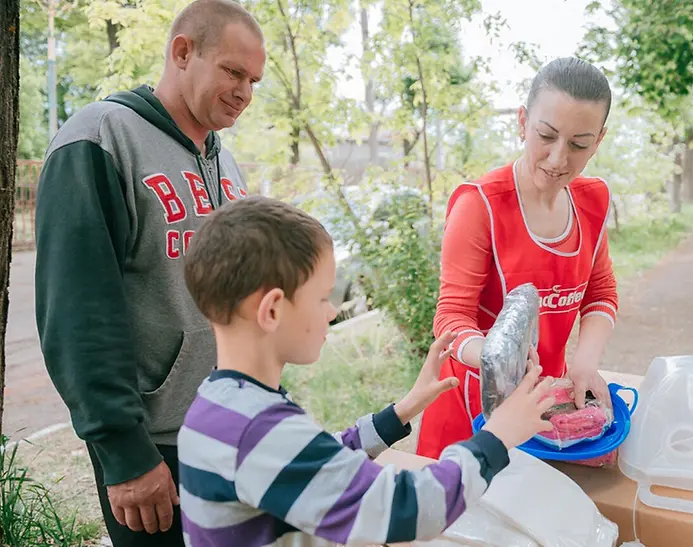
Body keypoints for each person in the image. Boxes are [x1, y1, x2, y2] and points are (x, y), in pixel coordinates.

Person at [177, 196, 556, 546]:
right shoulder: (254, 429)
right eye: (323, 298)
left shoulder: (223, 406)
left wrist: (401, 412)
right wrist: (498, 436)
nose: (330, 311)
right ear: (272, 310)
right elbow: (409, 507)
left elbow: (317, 467)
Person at [33, 1, 265, 544]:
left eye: (253, 80)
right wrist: (125, 452)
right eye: (233, 72)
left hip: (230, 429)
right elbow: (77, 312)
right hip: (154, 445)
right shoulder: (100, 139)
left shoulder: (223, 162)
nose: (245, 93)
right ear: (183, 51)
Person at [416, 57, 620, 459]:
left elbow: (600, 292)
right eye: (546, 135)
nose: (559, 159)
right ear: (523, 121)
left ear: (598, 141)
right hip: (471, 407)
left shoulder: (592, 200)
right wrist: (498, 360)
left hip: (541, 405)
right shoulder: (481, 205)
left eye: (579, 144)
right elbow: (451, 316)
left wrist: (583, 363)